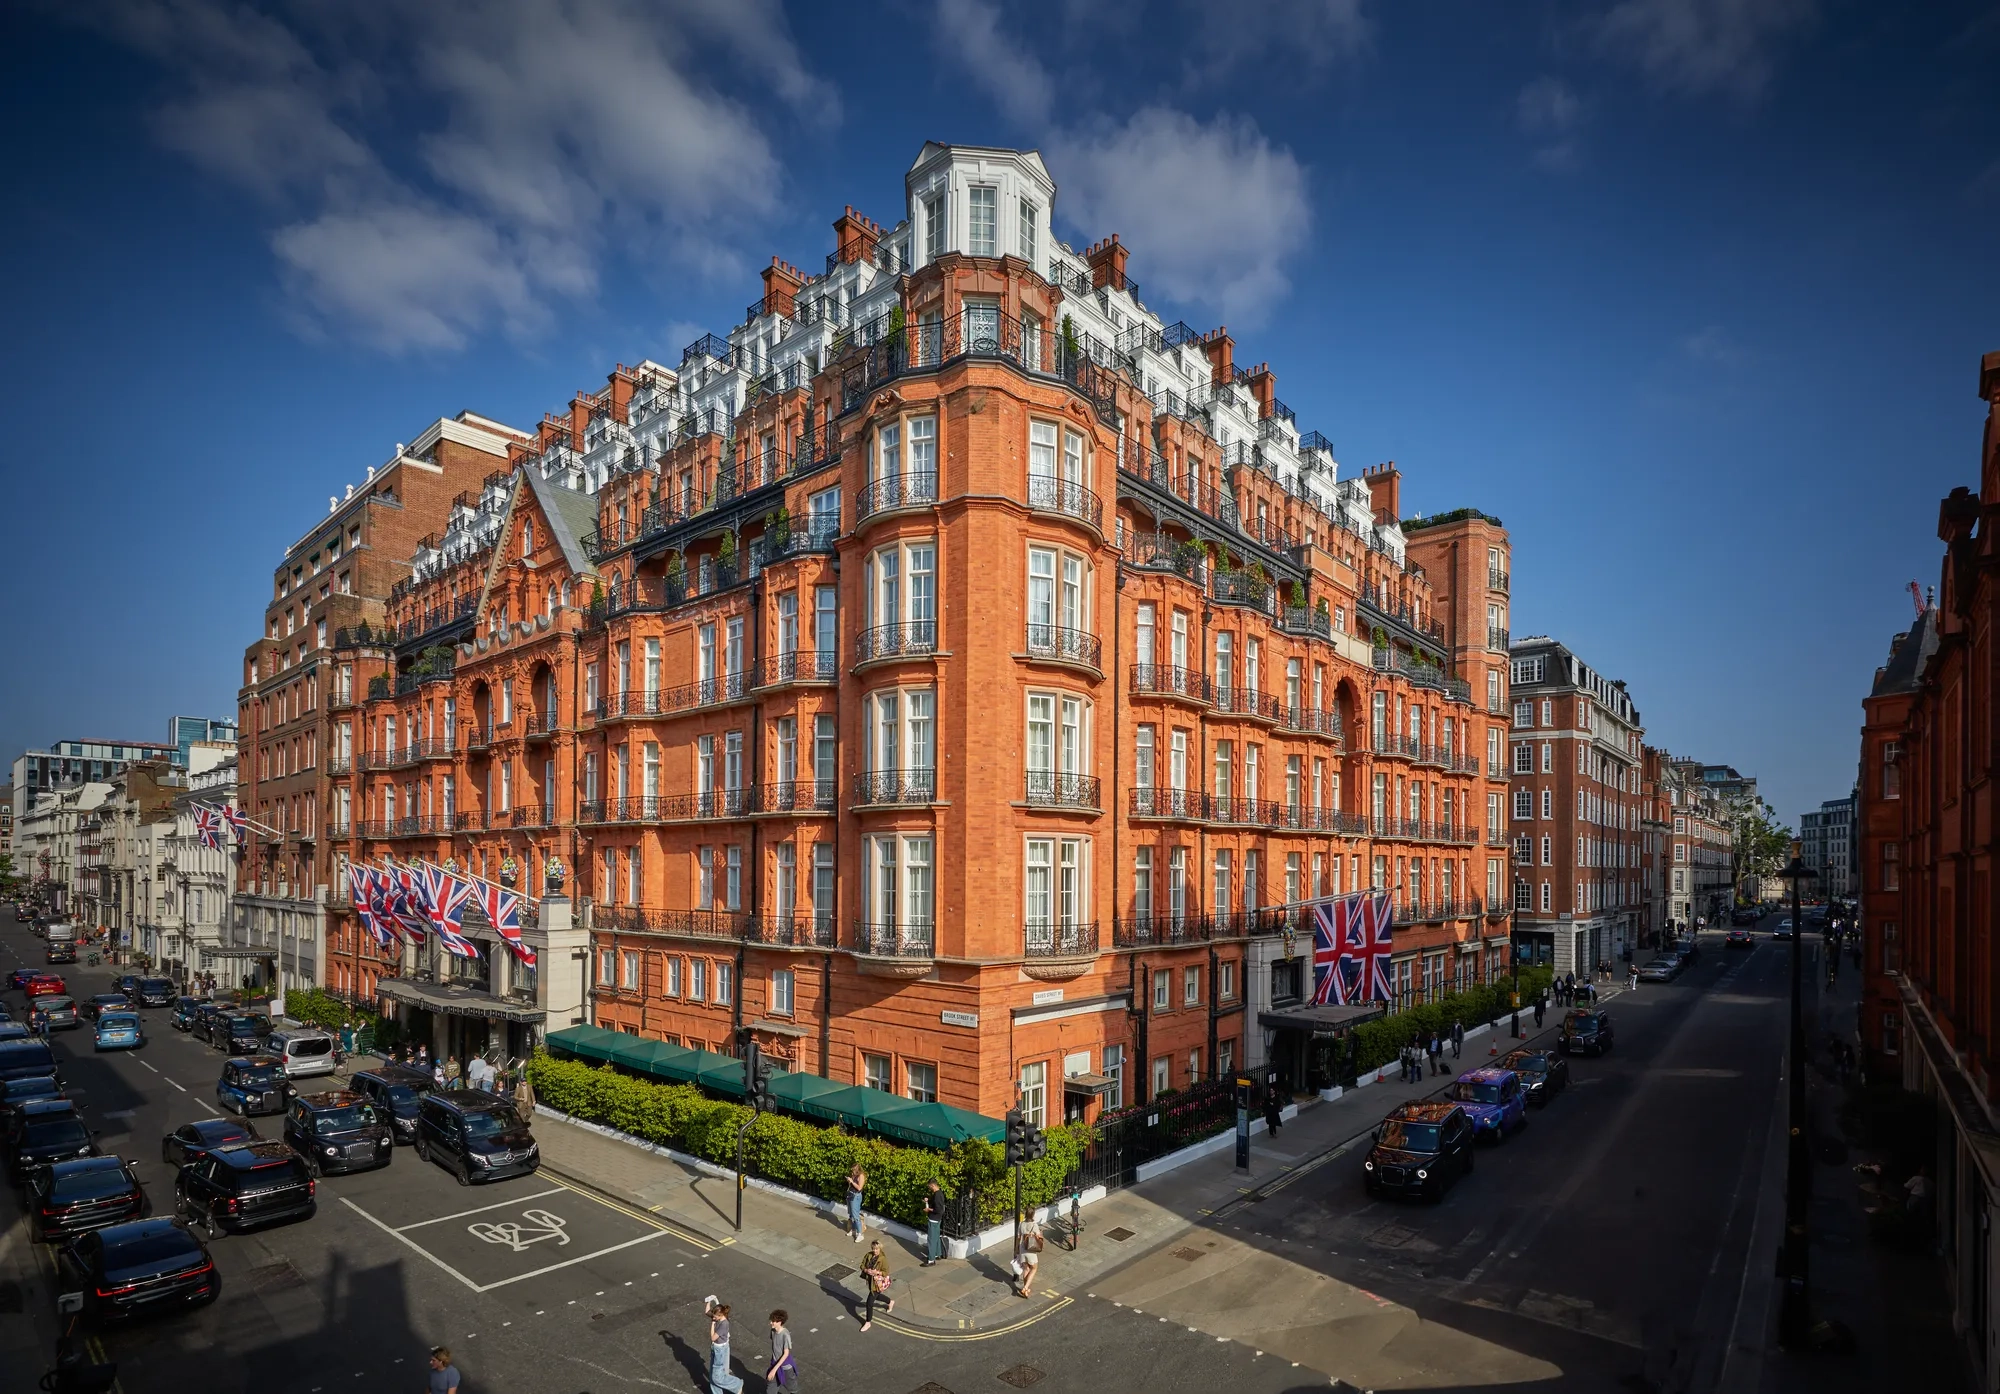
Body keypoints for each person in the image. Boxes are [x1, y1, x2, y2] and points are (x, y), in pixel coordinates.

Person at [706, 1299, 744, 1392]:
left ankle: (737, 1383)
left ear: (720, 1315)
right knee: (712, 1376)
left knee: (717, 1377)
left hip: (720, 1350)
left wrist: (712, 1324)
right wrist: (708, 1301)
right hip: (716, 1348)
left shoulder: (724, 1324)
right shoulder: (718, 1316)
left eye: (714, 1316)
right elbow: (707, 1312)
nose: (713, 1317)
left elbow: (713, 1338)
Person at [859, 1240, 894, 1329]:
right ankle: (890, 1302)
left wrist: (877, 1272)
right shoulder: (868, 1255)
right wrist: (866, 1270)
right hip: (870, 1281)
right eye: (873, 1249)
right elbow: (862, 1265)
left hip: (877, 1282)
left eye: (877, 1249)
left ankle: (868, 1322)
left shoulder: (883, 1259)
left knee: (869, 1303)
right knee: (876, 1296)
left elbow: (886, 1272)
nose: (875, 1251)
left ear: (880, 1248)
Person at [766, 1310, 800, 1390]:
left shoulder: (785, 1335)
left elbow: (786, 1354)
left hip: (785, 1366)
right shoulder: (773, 1331)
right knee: (771, 1387)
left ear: (779, 1322)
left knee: (792, 1388)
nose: (771, 1323)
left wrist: (774, 1370)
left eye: (773, 1321)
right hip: (775, 1363)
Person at [1014, 1214, 1042, 1298]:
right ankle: (1025, 1287)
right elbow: (1038, 1236)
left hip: (1023, 1249)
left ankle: (1025, 1291)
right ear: (1033, 1215)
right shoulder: (1034, 1225)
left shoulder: (1021, 1224)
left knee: (1026, 1269)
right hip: (1031, 1250)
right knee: (1034, 1268)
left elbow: (1018, 1238)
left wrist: (1016, 1249)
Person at [923, 1179, 945, 1266]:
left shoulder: (937, 1195)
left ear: (932, 1185)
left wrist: (928, 1209)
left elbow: (938, 1210)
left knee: (931, 1239)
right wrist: (927, 1200)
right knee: (936, 1237)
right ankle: (937, 1254)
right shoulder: (939, 1194)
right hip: (938, 1220)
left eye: (929, 1187)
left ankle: (931, 1260)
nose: (929, 1188)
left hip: (933, 1219)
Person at [845, 1162, 867, 1242]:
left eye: (854, 1170)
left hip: (856, 1196)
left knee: (855, 1215)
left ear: (857, 1170)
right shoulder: (853, 1175)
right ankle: (853, 1229)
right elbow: (851, 1185)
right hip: (850, 1195)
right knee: (851, 1214)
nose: (853, 1172)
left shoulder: (861, 1176)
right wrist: (849, 1181)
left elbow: (859, 1188)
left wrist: (852, 1182)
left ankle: (860, 1234)